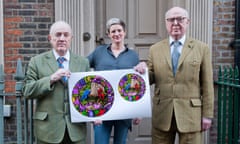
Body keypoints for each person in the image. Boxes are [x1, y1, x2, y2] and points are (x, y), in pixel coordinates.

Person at [134, 6, 214, 144]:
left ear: (188, 22)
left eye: (180, 19)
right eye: (171, 19)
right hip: (163, 114)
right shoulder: (155, 49)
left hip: (190, 115)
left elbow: (207, 85)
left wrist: (207, 115)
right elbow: (151, 78)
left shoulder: (202, 48)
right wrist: (143, 71)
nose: (175, 23)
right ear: (166, 23)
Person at [23, 20, 90, 144]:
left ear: (71, 38)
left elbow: (88, 94)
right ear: (50, 38)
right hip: (48, 131)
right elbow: (27, 90)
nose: (62, 38)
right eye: (58, 35)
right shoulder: (37, 61)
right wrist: (51, 79)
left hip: (76, 130)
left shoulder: (83, 62)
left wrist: (95, 114)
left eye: (66, 35)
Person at [87, 18, 141, 144]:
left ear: (125, 32)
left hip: (124, 108)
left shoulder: (133, 55)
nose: (117, 34)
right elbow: (82, 66)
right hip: (101, 109)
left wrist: (139, 110)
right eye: (113, 31)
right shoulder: (99, 52)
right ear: (108, 34)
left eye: (119, 30)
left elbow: (137, 83)